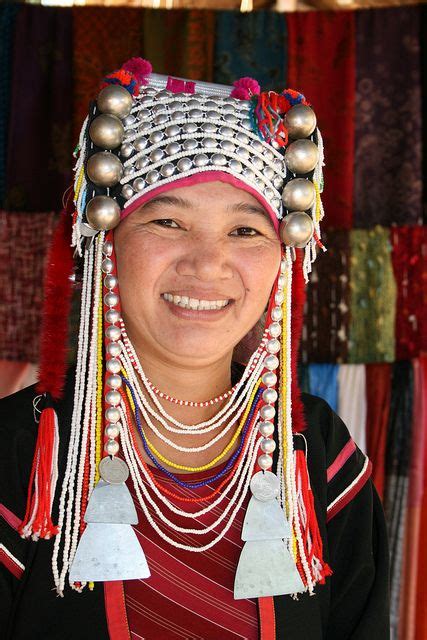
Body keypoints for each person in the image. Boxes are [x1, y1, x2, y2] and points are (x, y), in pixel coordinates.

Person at [0, 59, 389, 639]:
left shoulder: (317, 452)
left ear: (283, 259)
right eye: (167, 222)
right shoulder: (24, 454)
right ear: (108, 243)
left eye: (245, 230)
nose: (207, 264)